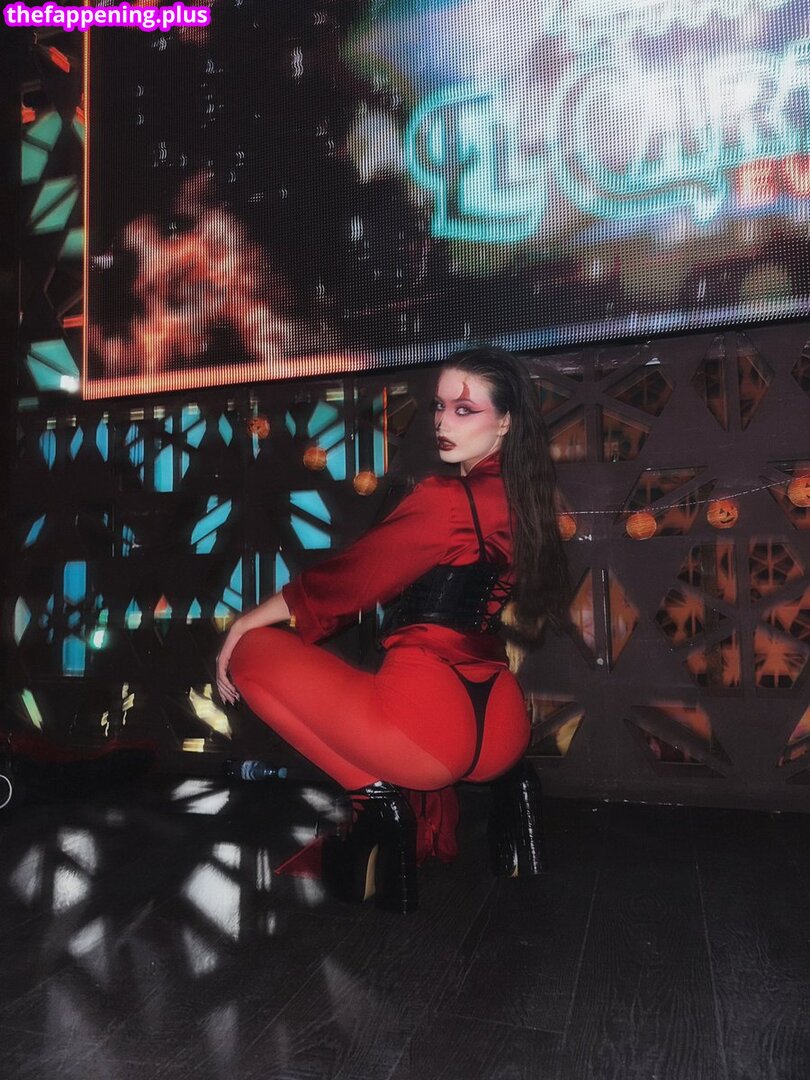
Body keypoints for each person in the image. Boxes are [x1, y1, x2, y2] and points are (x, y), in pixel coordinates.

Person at [216, 346, 570, 912]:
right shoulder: (528, 498)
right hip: (502, 727)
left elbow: (352, 579)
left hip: (431, 728)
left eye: (464, 409)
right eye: (439, 407)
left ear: (505, 421)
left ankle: (377, 804)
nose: (443, 422)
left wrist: (245, 621)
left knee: (252, 653)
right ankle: (517, 815)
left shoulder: (446, 501)